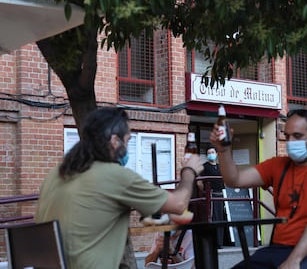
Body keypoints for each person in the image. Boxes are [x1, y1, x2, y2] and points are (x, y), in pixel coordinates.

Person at [35, 107, 204, 269]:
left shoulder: (55, 174)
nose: (127, 148)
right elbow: (179, 204)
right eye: (128, 141)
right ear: (115, 141)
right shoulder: (114, 175)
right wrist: (188, 171)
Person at [210, 109, 307, 269]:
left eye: (297, 136)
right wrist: (223, 149)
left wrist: (294, 260)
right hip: (279, 248)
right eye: (287, 137)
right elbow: (234, 180)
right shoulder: (278, 165)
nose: (291, 142)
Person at [199, 144, 226, 248]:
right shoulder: (204, 167)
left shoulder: (220, 166)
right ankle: (213, 242)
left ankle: (220, 242)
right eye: (209, 153)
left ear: (217, 154)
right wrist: (205, 192)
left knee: (221, 218)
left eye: (212, 152)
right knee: (212, 218)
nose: (211, 155)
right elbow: (199, 182)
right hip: (211, 196)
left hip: (221, 195)